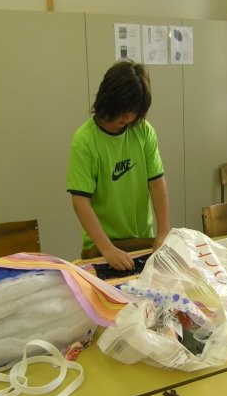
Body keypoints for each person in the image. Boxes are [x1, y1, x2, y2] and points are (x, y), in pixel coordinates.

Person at [67, 60, 170, 270]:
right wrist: (107, 249)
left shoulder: (143, 131)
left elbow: (157, 184)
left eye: (134, 111)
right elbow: (80, 202)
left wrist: (163, 233)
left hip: (142, 242)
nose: (129, 116)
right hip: (101, 247)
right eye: (124, 110)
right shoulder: (85, 140)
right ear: (109, 100)